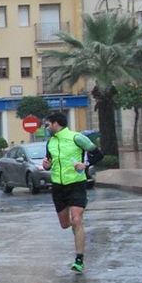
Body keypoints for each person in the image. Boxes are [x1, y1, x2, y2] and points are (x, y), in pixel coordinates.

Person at [40, 111, 98, 273]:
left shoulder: (76, 137)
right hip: (58, 187)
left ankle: (79, 259)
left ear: (56, 123)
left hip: (76, 184)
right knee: (65, 224)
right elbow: (49, 162)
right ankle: (76, 230)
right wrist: (46, 165)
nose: (46, 128)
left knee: (77, 219)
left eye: (47, 125)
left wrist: (84, 164)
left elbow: (97, 153)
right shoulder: (50, 142)